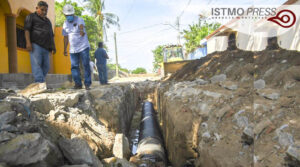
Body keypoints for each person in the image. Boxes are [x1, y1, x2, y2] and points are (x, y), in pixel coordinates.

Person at [24, 1, 56, 83]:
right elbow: (27, 30)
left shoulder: (48, 21)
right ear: (37, 8)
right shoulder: (31, 17)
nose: (44, 12)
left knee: (46, 67)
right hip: (36, 45)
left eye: (46, 10)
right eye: (42, 10)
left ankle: (39, 82)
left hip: (46, 47)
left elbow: (51, 34)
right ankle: (39, 82)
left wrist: (53, 46)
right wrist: (28, 43)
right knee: (36, 65)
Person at [62, 4, 91, 90]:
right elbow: (65, 37)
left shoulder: (79, 19)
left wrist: (81, 31)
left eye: (70, 15)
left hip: (83, 47)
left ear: (73, 14)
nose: (69, 16)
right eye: (67, 15)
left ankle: (87, 84)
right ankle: (78, 84)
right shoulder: (65, 24)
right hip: (73, 49)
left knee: (86, 65)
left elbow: (81, 27)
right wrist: (64, 49)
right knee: (74, 67)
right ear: (65, 15)